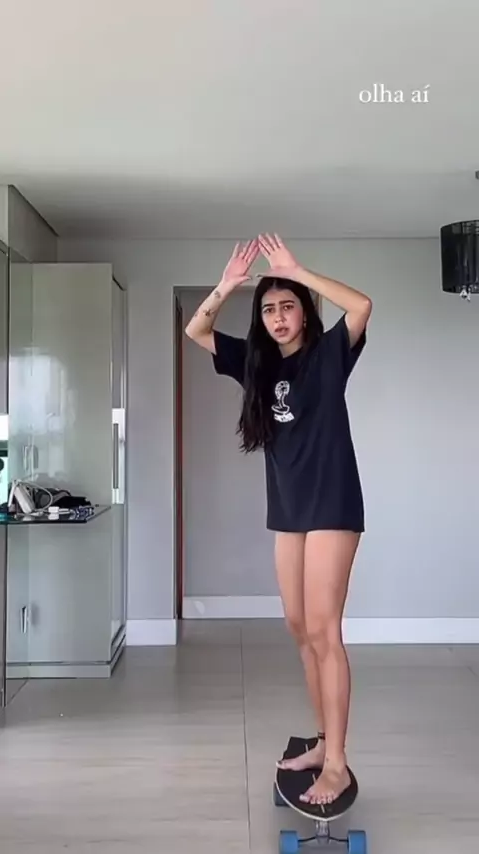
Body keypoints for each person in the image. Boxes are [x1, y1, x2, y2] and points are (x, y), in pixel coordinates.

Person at [184, 233, 372, 806]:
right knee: (298, 626)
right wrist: (226, 286)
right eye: (268, 309)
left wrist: (298, 272)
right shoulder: (257, 364)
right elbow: (197, 331)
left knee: (324, 629)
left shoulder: (330, 353)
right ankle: (323, 741)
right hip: (288, 508)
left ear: (304, 312)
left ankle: (336, 763)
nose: (278, 317)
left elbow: (361, 305)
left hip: (332, 502)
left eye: (288, 306)